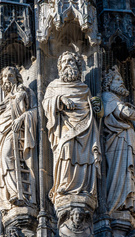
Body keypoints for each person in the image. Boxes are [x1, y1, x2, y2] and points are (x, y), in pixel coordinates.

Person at [0, 66, 37, 236]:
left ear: (17, 78)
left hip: (14, 131)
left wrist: (23, 118)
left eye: (11, 76)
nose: (8, 79)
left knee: (7, 158)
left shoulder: (24, 91)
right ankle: (8, 197)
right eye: (4, 77)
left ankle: (19, 195)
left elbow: (35, 111)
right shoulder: (2, 103)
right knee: (1, 163)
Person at [43, 51, 101, 214]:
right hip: (64, 127)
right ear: (60, 66)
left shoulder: (84, 88)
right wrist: (60, 100)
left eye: (72, 61)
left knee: (85, 156)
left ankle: (84, 189)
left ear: (78, 66)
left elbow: (92, 108)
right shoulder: (54, 86)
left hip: (85, 129)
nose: (68, 64)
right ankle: (64, 186)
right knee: (65, 149)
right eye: (65, 61)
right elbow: (46, 103)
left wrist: (97, 107)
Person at [102, 66, 135, 219]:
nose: (121, 83)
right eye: (117, 80)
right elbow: (125, 112)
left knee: (128, 173)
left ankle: (128, 203)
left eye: (122, 80)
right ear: (109, 84)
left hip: (125, 141)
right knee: (120, 172)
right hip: (118, 143)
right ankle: (118, 203)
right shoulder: (108, 96)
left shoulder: (115, 99)